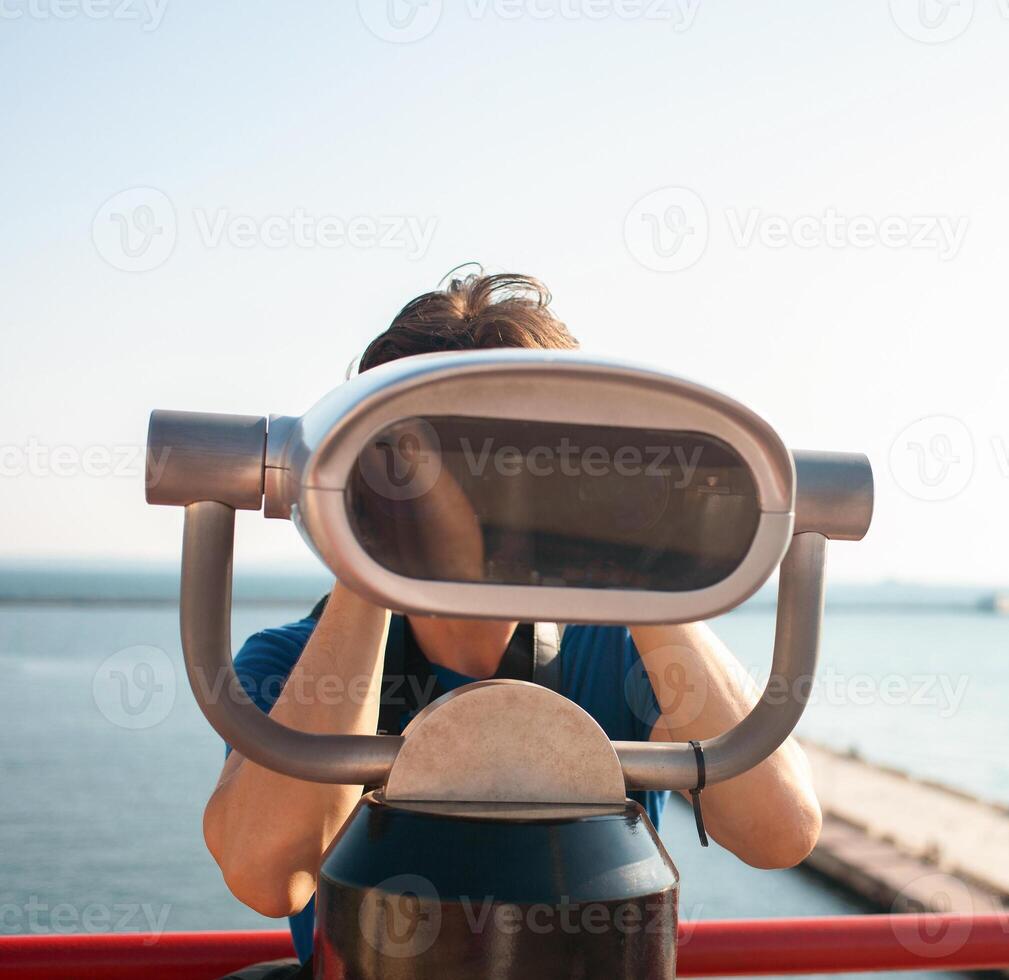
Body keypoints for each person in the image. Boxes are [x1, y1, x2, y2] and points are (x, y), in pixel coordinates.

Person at [203, 272, 822, 972]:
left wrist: (628, 558)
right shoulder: (292, 667)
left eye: (530, 466)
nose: (493, 502)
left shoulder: (620, 653)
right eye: (440, 460)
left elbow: (782, 830)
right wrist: (373, 548)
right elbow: (265, 877)